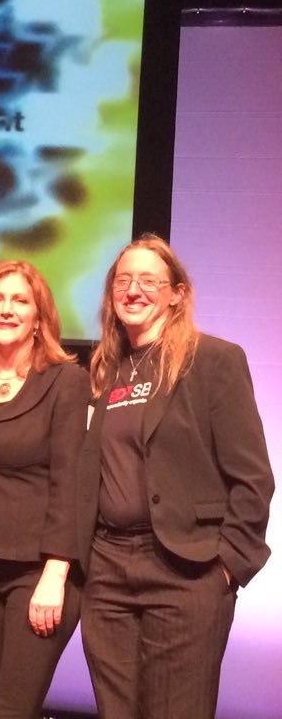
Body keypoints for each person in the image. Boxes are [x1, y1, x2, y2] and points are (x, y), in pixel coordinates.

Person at [78, 233, 274, 719]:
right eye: (123, 280)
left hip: (187, 572)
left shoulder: (213, 360)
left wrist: (226, 568)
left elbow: (254, 478)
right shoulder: (104, 368)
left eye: (149, 279)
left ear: (176, 293)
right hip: (108, 575)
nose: (134, 290)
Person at [0, 260, 89, 719]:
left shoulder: (66, 382)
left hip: (37, 572)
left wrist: (54, 574)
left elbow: (72, 482)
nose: (6, 310)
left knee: (10, 711)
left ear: (38, 318)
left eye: (20, 301)